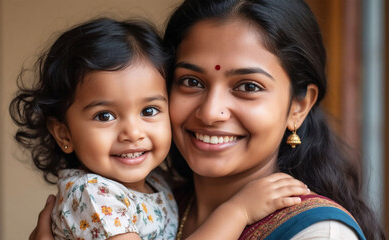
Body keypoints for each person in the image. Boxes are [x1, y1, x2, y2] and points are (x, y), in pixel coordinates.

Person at [29, 0, 386, 239]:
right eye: (191, 82)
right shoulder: (154, 201)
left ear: (299, 106)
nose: (211, 111)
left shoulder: (314, 232)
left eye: (247, 86)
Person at [10, 17, 310, 240]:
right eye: (104, 116)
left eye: (149, 111)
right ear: (63, 133)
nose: (132, 132)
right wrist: (238, 212)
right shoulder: (92, 196)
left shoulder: (158, 183)